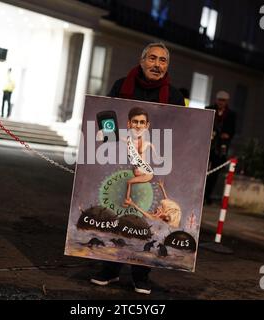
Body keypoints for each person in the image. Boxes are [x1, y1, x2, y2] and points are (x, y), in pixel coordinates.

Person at [90, 42, 184, 295]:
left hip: (152, 169)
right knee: (117, 212)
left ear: (167, 65)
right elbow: (108, 123)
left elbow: (176, 135)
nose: (157, 64)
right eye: (152, 58)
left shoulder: (174, 96)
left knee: (146, 219)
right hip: (119, 163)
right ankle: (109, 269)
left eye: (162, 60)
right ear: (142, 61)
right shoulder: (122, 86)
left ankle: (141, 273)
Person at [204, 90, 236, 204]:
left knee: (215, 173)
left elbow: (232, 131)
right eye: (219, 100)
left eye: (224, 100)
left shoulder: (231, 115)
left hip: (220, 147)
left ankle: (207, 195)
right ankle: (200, 193)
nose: (221, 102)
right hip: (208, 145)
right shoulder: (209, 109)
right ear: (216, 100)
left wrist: (226, 135)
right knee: (203, 170)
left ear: (227, 102)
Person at [123, 107, 155, 207]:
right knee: (129, 182)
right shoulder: (129, 141)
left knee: (129, 182)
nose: (138, 126)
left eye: (142, 122)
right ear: (129, 124)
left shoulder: (145, 142)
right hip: (138, 172)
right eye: (135, 122)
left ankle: (127, 201)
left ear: (147, 125)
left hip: (146, 174)